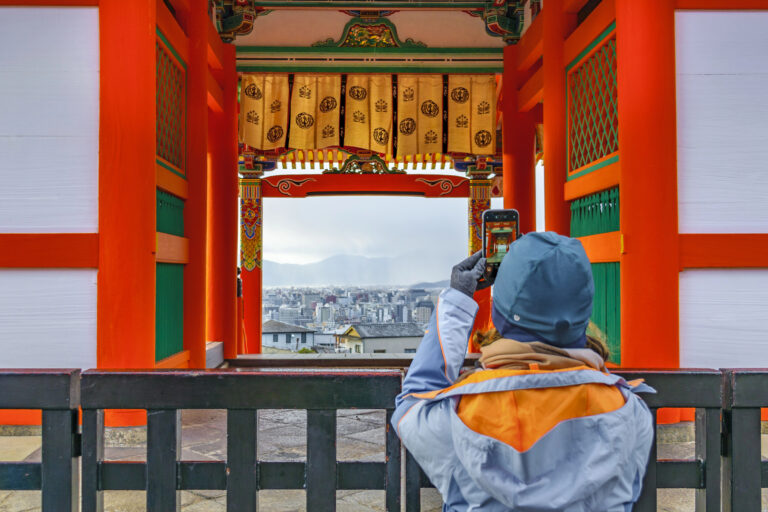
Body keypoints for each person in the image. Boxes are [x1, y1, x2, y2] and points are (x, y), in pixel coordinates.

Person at [392, 232, 654, 511]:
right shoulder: (629, 411)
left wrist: (458, 299)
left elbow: (413, 403)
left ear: (499, 315)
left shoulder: (458, 414)